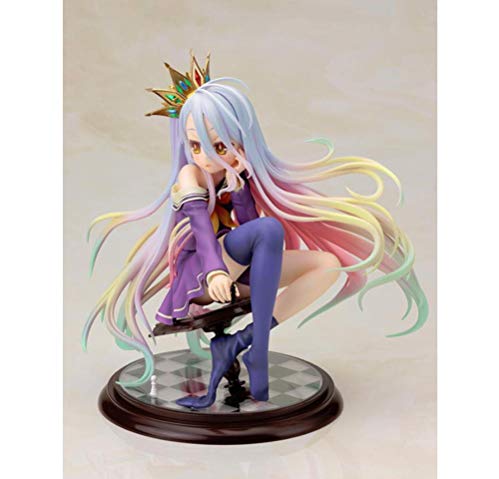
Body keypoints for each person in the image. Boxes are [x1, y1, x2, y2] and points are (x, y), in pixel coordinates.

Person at [82, 53, 428, 409]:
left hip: (237, 271)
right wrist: (215, 272)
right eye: (195, 146)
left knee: (327, 264)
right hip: (202, 277)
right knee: (268, 228)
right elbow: (203, 231)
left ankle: (242, 342)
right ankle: (258, 352)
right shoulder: (191, 176)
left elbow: (250, 228)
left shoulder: (236, 170)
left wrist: (240, 182)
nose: (204, 157)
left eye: (217, 146)